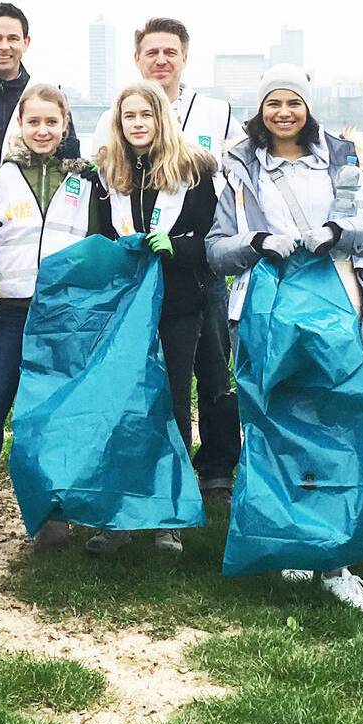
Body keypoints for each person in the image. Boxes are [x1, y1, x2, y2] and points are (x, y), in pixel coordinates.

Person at [208, 66, 363, 610]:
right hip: (266, 316)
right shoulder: (240, 170)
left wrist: (340, 234)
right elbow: (217, 249)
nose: (284, 112)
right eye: (273, 103)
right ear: (260, 111)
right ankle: (291, 538)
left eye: (294, 103)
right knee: (277, 423)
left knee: (339, 425)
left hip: (340, 311)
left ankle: (337, 558)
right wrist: (258, 242)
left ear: (308, 108)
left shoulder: (344, 166)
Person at [100, 18, 241, 502]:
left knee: (212, 371)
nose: (161, 60)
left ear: (184, 57)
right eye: (152, 52)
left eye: (170, 52)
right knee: (138, 390)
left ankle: (215, 470)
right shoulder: (114, 121)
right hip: (136, 293)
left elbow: (235, 181)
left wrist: (184, 246)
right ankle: (137, 482)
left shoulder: (216, 112)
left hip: (195, 280)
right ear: (138, 58)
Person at [87, 79, 221, 555]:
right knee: (124, 405)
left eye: (146, 115)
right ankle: (118, 514)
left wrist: (178, 248)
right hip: (125, 309)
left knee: (173, 405)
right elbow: (99, 237)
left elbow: (213, 241)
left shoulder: (196, 170)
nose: (138, 124)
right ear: (118, 123)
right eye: (129, 116)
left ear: (161, 117)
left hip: (180, 306)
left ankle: (169, 514)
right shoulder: (108, 174)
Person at [0, 83, 97, 543]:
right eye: (33, 121)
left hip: (63, 317)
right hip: (11, 312)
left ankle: (51, 509)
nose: (42, 130)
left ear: (65, 124)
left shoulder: (85, 180)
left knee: (52, 416)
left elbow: (97, 245)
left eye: (51, 121)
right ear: (19, 125)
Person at [0, 2, 82, 168]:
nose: (4, 46)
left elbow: (70, 159)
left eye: (13, 39)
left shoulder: (49, 94)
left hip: (29, 193)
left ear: (26, 42)